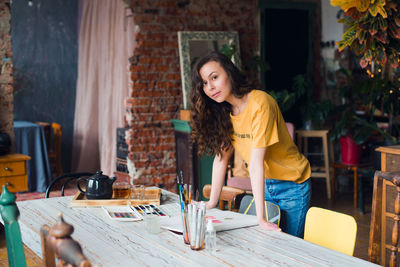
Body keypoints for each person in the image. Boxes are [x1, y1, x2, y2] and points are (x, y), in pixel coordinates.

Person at [190, 51, 311, 237]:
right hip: (265, 183)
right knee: (267, 246)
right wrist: (212, 201)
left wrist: (261, 219)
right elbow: (221, 159)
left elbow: (255, 164)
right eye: (205, 83)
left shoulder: (260, 103)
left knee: (288, 247)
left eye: (214, 77)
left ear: (229, 72)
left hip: (292, 184)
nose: (210, 87)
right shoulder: (225, 112)